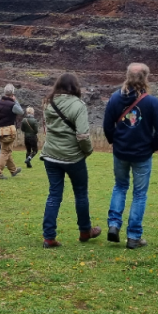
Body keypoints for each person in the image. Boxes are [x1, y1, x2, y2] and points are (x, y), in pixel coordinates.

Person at [103, 63, 158, 250]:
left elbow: (107, 126)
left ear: (127, 76)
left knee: (120, 186)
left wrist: (114, 143)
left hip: (121, 153)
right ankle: (133, 237)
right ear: (146, 77)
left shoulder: (115, 98)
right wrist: (151, 148)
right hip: (142, 155)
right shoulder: (152, 102)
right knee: (139, 194)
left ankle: (114, 225)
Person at [40, 74, 98, 247]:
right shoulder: (78, 105)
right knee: (80, 194)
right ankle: (85, 231)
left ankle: (48, 237)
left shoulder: (48, 102)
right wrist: (88, 150)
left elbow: (46, 128)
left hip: (51, 155)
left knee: (54, 195)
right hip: (73, 157)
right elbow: (82, 135)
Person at [0, 84, 24, 179]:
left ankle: (13, 170)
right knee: (5, 152)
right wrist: (16, 101)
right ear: (13, 93)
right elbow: (21, 112)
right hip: (9, 131)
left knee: (6, 150)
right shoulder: (13, 104)